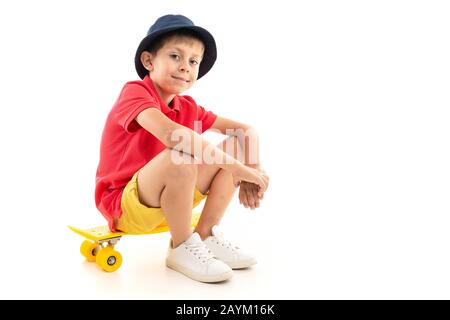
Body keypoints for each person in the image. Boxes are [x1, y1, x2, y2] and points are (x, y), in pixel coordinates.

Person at [95, 14, 269, 283]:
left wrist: (252, 169)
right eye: (176, 56)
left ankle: (205, 234)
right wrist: (239, 168)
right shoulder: (135, 93)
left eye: (193, 61)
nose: (185, 67)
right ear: (149, 61)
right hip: (126, 205)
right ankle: (181, 246)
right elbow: (172, 134)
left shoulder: (187, 107)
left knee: (234, 142)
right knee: (181, 151)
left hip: (175, 193)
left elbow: (246, 132)